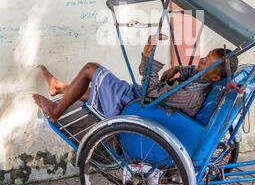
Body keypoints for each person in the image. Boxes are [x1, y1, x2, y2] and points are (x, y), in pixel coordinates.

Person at [33, 34, 238, 123]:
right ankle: (60, 88)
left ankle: (56, 111)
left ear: (215, 76)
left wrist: (147, 57)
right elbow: (194, 72)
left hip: (138, 105)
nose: (200, 61)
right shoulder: (204, 80)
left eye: (205, 62)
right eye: (205, 57)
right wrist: (178, 69)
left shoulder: (191, 96)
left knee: (90, 69)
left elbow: (151, 91)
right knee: (100, 87)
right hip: (143, 98)